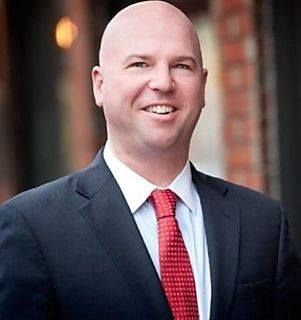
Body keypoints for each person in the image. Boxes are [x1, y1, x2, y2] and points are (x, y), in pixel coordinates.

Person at [0, 1, 300, 319]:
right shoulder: (31, 230)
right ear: (99, 85)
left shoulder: (263, 224)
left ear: (202, 86)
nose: (163, 82)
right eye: (141, 64)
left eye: (181, 66)